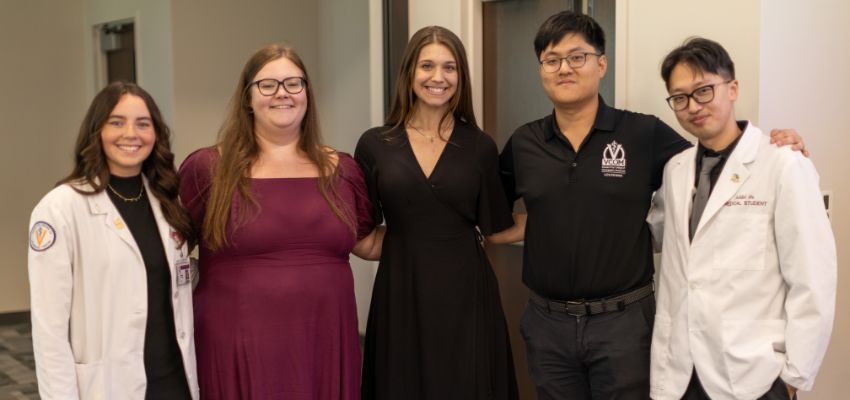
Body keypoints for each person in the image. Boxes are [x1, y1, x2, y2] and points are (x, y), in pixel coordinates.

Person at [498, 11, 806, 399]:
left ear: (601, 64)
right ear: (541, 68)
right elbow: (494, 212)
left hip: (624, 324)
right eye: (552, 59)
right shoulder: (524, 143)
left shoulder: (642, 134)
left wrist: (770, 144)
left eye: (577, 57)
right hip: (548, 324)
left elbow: (714, 156)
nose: (565, 68)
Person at [179, 44, 382, 400]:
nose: (282, 94)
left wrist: (446, 231)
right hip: (236, 346)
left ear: (307, 93)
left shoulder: (344, 170)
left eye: (293, 83)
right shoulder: (208, 169)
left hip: (325, 342)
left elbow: (365, 243)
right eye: (268, 85)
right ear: (247, 97)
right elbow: (171, 249)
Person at [646, 37, 836, 400]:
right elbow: (664, 241)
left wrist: (794, 376)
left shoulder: (782, 163)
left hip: (752, 375)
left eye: (704, 91)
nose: (693, 106)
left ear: (732, 88)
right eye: (680, 98)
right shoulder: (675, 169)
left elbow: (813, 279)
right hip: (680, 372)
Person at [355, 26, 521, 399]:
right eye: (427, 65)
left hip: (467, 295)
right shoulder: (375, 144)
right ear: (410, 73)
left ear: (460, 77)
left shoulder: (479, 146)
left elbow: (496, 227)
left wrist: (570, 217)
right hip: (400, 291)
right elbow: (361, 232)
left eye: (450, 68)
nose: (438, 77)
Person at [28, 82, 198, 399]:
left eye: (143, 124)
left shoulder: (168, 202)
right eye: (116, 122)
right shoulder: (61, 208)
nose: (131, 133)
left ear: (156, 134)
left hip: (174, 383)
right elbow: (49, 329)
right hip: (107, 386)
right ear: (97, 131)